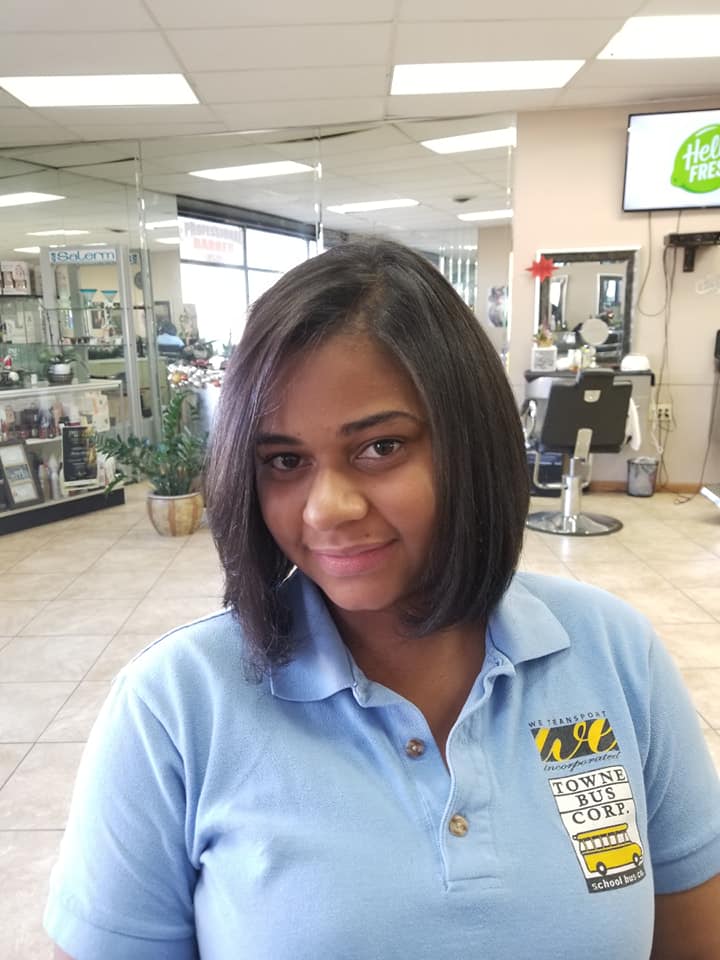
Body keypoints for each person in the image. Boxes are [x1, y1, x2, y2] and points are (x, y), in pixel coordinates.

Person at [45, 239, 720, 960]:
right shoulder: (177, 707)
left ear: (471, 441)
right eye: (284, 461)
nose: (326, 508)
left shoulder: (614, 655)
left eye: (380, 448)